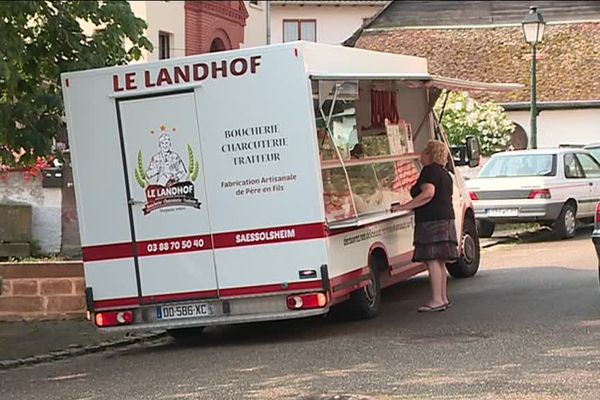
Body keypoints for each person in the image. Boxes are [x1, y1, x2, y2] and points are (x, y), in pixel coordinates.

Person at [398, 140, 458, 312]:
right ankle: (443, 297)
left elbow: (428, 193)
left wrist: (406, 206)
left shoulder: (429, 171)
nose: (420, 154)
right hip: (446, 218)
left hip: (431, 220)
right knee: (440, 260)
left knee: (432, 260)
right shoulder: (445, 173)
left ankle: (436, 299)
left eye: (424, 151)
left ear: (430, 155)